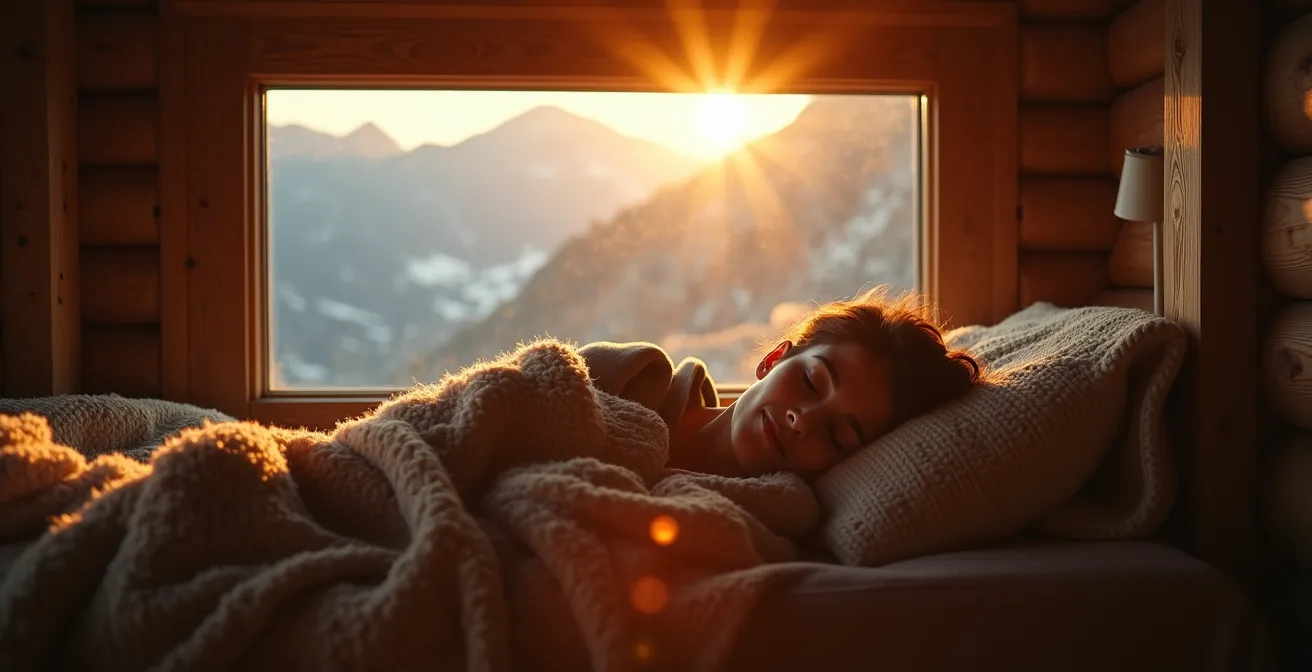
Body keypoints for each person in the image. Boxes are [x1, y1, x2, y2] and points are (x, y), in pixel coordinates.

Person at [650, 286, 981, 478]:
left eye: (838, 436)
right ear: (773, 359)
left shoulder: (757, 526)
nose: (803, 419)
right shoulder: (629, 379)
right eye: (811, 381)